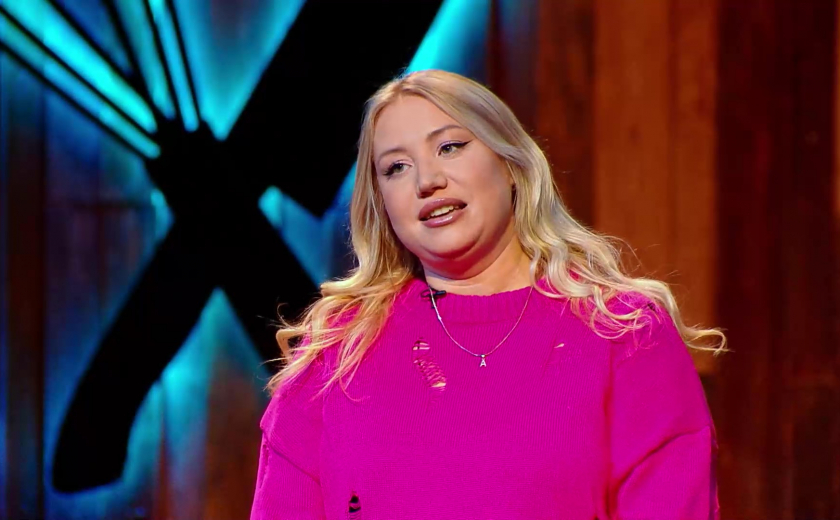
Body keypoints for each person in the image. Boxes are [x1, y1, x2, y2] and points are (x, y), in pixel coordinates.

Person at [249, 69, 726, 520]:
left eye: (450, 147)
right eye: (396, 168)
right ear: (382, 205)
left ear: (511, 164)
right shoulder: (336, 355)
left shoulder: (623, 333)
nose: (427, 181)